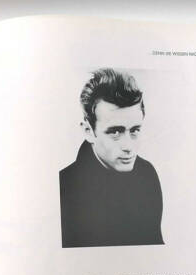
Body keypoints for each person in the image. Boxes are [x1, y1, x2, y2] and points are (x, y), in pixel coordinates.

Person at [59, 69, 164, 247]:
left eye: (135, 130)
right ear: (88, 131)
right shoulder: (65, 185)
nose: (128, 146)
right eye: (115, 132)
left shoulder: (147, 174)